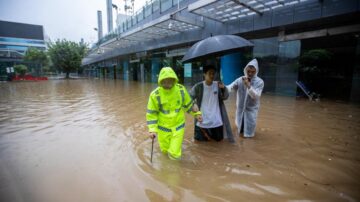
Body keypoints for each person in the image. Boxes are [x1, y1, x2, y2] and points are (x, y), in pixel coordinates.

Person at [146, 67, 202, 160]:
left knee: (174, 154)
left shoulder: (181, 90)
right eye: (164, 81)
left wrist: (197, 114)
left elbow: (187, 104)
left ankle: (174, 172)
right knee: (164, 151)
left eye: (169, 81)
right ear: (160, 81)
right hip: (163, 129)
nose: (167, 84)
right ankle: (165, 169)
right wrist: (152, 130)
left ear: (174, 79)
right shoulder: (155, 95)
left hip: (178, 127)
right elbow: (152, 114)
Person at [190, 65, 234, 142]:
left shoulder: (218, 85)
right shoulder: (198, 87)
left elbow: (226, 97)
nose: (212, 75)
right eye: (209, 73)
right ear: (204, 74)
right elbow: (189, 98)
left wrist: (223, 89)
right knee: (201, 147)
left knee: (218, 146)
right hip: (202, 122)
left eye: (213, 73)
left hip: (217, 122)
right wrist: (194, 104)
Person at [227, 59, 264, 138]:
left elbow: (256, 96)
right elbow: (231, 87)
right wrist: (223, 88)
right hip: (240, 110)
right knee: (239, 130)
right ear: (245, 70)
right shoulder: (241, 79)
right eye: (248, 71)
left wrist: (249, 86)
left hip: (251, 110)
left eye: (252, 72)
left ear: (256, 71)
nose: (250, 73)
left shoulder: (260, 82)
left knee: (249, 135)